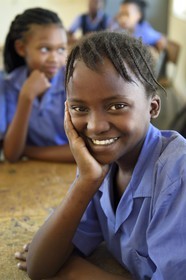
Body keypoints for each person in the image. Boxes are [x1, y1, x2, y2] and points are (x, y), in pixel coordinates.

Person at [15, 31, 186, 279]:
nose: (95, 126)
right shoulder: (100, 166)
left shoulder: (177, 176)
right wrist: (86, 181)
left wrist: (74, 270)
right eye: (79, 108)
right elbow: (39, 267)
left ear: (152, 107)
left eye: (117, 106)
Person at [2, 7, 74, 163]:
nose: (54, 58)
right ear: (21, 48)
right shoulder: (8, 86)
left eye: (61, 49)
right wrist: (26, 97)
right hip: (29, 175)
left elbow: (86, 151)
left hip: (73, 173)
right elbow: (12, 154)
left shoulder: (72, 83)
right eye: (45, 49)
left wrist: (28, 151)